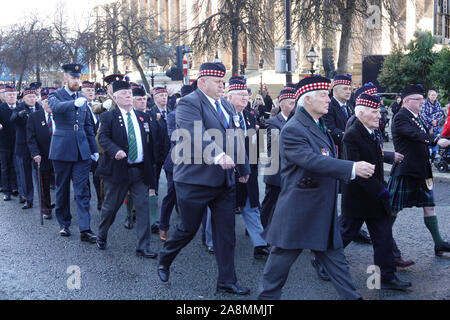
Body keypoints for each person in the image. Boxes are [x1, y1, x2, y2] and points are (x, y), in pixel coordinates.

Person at [258, 75, 375, 300]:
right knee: (277, 270)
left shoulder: (317, 125)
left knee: (337, 263)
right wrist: (352, 168)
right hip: (299, 211)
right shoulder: (293, 129)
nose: (328, 100)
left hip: (321, 209)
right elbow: (312, 161)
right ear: (306, 100)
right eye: (323, 95)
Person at [157, 62, 251, 295]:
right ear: (202, 82)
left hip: (224, 181)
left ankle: (226, 281)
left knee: (226, 233)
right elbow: (194, 133)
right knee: (187, 229)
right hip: (194, 180)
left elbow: (235, 137)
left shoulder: (227, 106)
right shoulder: (189, 103)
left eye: (223, 81)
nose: (223, 85)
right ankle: (165, 258)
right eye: (218, 82)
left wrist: (244, 166)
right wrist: (218, 155)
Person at [328, 93, 411, 290]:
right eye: (374, 112)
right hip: (358, 197)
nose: (378, 116)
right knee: (344, 235)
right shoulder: (351, 135)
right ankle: (323, 260)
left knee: (383, 238)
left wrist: (381, 188)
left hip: (375, 196)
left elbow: (377, 159)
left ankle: (387, 277)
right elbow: (356, 170)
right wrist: (382, 191)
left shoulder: (374, 131)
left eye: (378, 111)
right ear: (361, 113)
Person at [95, 80, 157, 258]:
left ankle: (143, 246)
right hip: (118, 170)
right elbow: (103, 139)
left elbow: (150, 143)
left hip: (139, 171)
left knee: (143, 208)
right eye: (123, 94)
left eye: (130, 93)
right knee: (110, 207)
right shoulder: (108, 117)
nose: (128, 95)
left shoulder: (142, 117)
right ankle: (102, 235)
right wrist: (116, 151)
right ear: (115, 97)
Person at [388, 84, 450, 259]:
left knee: (429, 207)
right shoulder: (401, 117)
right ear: (407, 101)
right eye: (419, 100)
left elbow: (422, 133)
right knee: (393, 209)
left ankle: (439, 244)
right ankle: (384, 243)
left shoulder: (416, 116)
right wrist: (436, 139)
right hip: (406, 170)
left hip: (421, 170)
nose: (423, 102)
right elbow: (414, 134)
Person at [48, 63, 98, 242]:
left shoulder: (82, 97)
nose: (77, 81)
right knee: (62, 189)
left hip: (81, 150)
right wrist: (73, 103)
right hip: (62, 149)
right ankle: (64, 224)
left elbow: (87, 126)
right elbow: (55, 107)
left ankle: (85, 229)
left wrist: (94, 149)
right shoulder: (56, 95)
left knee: (82, 189)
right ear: (65, 78)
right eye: (73, 77)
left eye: (78, 78)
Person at [226, 76, 269, 260]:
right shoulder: (223, 115)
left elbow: (254, 143)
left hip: (248, 169)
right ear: (229, 97)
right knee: (221, 209)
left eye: (246, 94)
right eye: (240, 94)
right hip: (227, 170)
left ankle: (260, 244)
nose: (245, 98)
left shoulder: (250, 115)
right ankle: (212, 241)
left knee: (250, 206)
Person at [159, 83, 196, 242]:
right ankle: (163, 226)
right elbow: (175, 137)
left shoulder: (198, 113)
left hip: (195, 161)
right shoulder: (174, 115)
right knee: (172, 195)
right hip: (175, 161)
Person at [260, 86, 296, 230]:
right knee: (270, 203)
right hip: (276, 170)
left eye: (295, 103)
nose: (294, 106)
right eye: (291, 103)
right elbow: (270, 147)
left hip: (290, 171)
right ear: (281, 105)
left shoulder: (296, 121)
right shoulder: (273, 122)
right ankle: (261, 230)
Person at [10, 87, 41, 209]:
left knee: (40, 174)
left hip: (37, 146)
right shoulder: (19, 108)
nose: (32, 99)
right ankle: (28, 198)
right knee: (25, 174)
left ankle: (44, 200)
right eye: (29, 97)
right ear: (24, 98)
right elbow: (12, 119)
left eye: (33, 96)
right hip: (23, 146)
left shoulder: (39, 107)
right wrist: (18, 115)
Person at [26, 89, 54, 220]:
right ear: (42, 103)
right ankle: (46, 208)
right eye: (47, 102)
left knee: (61, 184)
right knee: (43, 185)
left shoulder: (61, 115)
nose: (49, 104)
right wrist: (35, 154)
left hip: (59, 156)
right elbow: (30, 139)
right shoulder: (34, 117)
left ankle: (61, 207)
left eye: (52, 102)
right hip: (42, 156)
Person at [81, 81, 102, 211]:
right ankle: (85, 199)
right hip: (84, 144)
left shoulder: (97, 106)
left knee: (98, 174)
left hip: (97, 146)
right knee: (84, 175)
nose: (91, 93)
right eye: (87, 90)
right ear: (81, 92)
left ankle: (101, 199)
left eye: (92, 91)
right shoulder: (79, 106)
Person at [323, 74, 353, 158]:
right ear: (335, 90)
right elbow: (331, 130)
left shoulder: (350, 107)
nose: (348, 91)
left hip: (349, 150)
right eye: (345, 88)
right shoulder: (328, 106)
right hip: (337, 151)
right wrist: (352, 136)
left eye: (350, 89)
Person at [0, 85, 19, 201]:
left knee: (16, 167)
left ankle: (15, 187)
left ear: (16, 96)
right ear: (5, 97)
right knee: (5, 167)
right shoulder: (1, 108)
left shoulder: (21, 107)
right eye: (9, 95)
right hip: (4, 143)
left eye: (13, 94)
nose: (11, 96)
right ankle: (6, 191)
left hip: (18, 143)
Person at [420, 89, 445, 162]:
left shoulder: (438, 103)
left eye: (435, 95)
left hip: (436, 126)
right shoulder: (424, 103)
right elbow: (422, 114)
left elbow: (441, 114)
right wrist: (431, 121)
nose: (434, 96)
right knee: (427, 142)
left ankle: (433, 158)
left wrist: (436, 121)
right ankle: (427, 158)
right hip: (427, 126)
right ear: (428, 96)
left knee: (435, 141)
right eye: (432, 95)